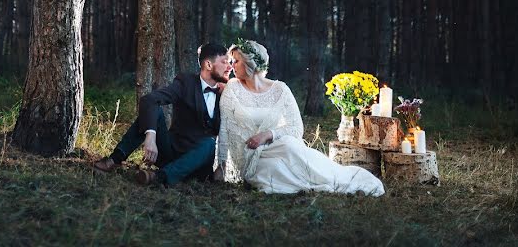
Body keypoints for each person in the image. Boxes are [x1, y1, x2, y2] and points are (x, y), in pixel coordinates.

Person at [214, 40, 384, 196]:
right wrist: (221, 167)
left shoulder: (280, 89)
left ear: (250, 62)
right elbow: (225, 129)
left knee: (291, 146)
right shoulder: (232, 88)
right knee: (272, 171)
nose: (231, 66)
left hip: (279, 146)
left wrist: (268, 134)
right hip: (250, 156)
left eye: (236, 61)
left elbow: (296, 128)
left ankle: (336, 178)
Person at [93, 42, 232, 186]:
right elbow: (150, 100)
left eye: (230, 62)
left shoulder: (227, 94)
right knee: (152, 112)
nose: (229, 67)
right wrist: (151, 135)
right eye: (224, 62)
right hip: (171, 152)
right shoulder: (186, 83)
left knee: (209, 143)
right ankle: (113, 160)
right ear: (209, 65)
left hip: (198, 164)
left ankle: (160, 177)